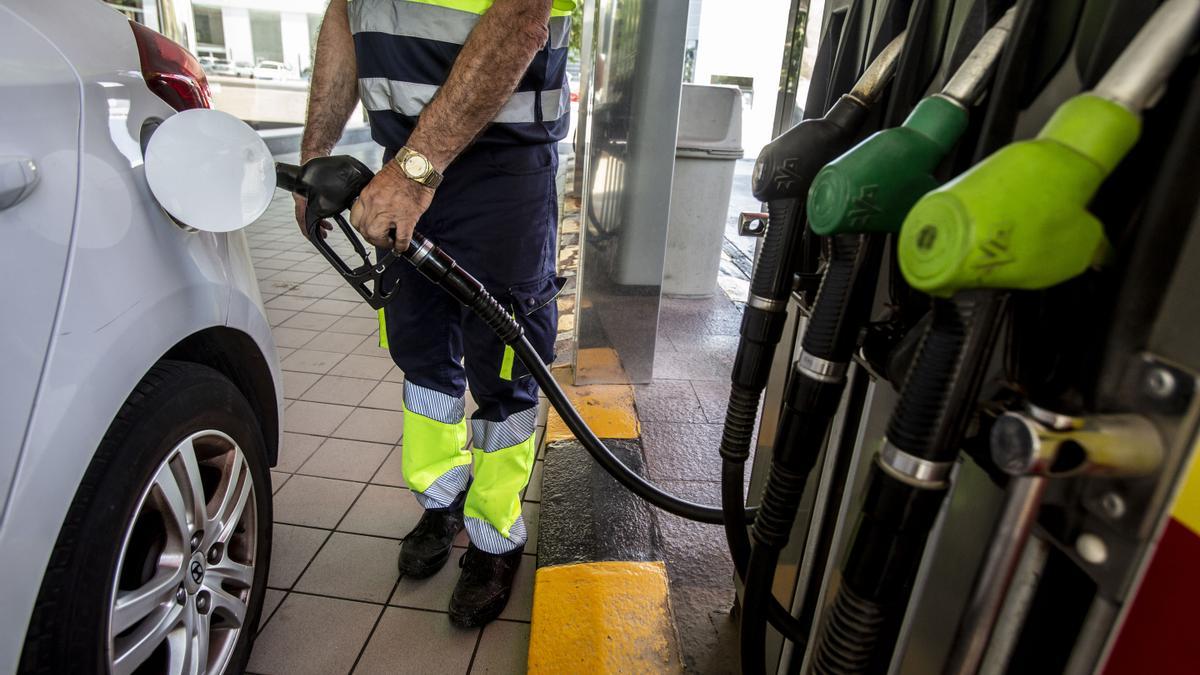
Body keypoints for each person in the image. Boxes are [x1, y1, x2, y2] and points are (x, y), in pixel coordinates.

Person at [295, 0, 572, 627]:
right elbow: (344, 15)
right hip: (403, 163)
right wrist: (316, 153)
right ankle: (442, 499)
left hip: (501, 170)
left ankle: (496, 536)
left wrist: (416, 172)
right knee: (421, 357)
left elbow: (523, 19)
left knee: (506, 370)